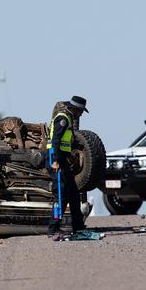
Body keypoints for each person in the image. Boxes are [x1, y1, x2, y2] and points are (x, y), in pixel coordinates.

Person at [47, 95, 88, 235]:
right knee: (61, 194)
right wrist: (56, 160)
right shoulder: (63, 118)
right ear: (74, 109)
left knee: (73, 193)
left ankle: (78, 226)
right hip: (56, 158)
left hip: (62, 158)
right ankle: (53, 228)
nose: (81, 113)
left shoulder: (69, 118)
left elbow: (64, 142)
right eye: (80, 111)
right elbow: (56, 140)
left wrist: (68, 155)